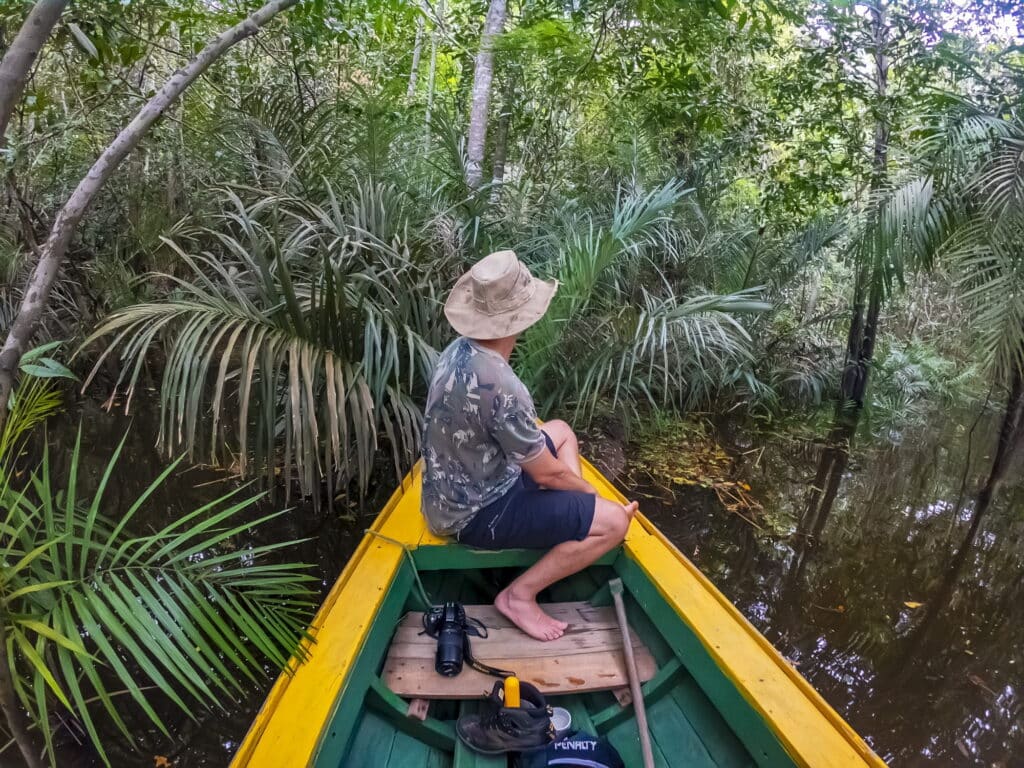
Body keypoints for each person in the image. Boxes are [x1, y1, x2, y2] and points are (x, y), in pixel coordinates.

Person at [421, 250, 638, 641]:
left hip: (447, 496)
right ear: (519, 318)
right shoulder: (503, 386)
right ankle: (519, 595)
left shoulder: (457, 351)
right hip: (476, 515)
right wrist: (593, 499)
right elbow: (547, 474)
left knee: (561, 430)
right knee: (615, 524)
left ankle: (574, 519)